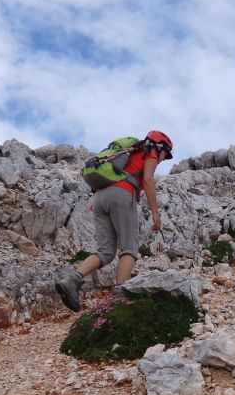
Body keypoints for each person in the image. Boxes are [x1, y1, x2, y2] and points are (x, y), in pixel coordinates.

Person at [54, 130, 174, 312]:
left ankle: (72, 280)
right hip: (122, 194)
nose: (163, 159)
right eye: (166, 154)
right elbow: (148, 180)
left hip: (100, 198)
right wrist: (155, 212)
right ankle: (120, 298)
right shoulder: (151, 152)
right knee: (129, 248)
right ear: (161, 147)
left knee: (105, 252)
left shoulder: (130, 152)